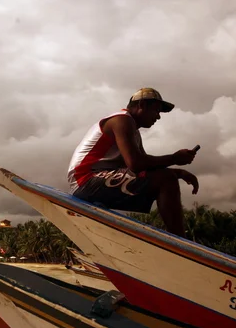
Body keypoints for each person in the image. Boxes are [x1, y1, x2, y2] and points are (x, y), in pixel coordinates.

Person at [67, 87, 199, 237]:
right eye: (156, 110)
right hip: (85, 180)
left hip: (93, 179)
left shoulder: (132, 129)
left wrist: (179, 172)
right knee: (166, 179)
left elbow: (145, 168)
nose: (158, 117)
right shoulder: (122, 120)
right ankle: (180, 241)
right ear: (141, 105)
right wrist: (175, 159)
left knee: (166, 177)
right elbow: (136, 164)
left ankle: (177, 239)